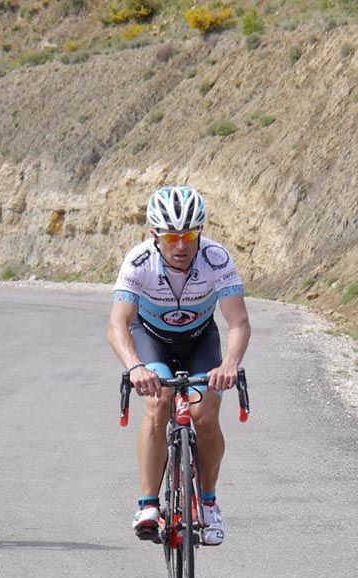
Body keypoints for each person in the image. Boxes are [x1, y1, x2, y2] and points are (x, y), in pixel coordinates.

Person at [107, 186, 251, 546]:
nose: (182, 246)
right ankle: (148, 505)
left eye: (189, 235)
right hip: (151, 337)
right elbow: (118, 325)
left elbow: (238, 323)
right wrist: (135, 367)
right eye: (172, 237)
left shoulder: (217, 259)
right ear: (155, 234)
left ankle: (209, 501)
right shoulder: (139, 262)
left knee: (205, 417)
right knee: (157, 403)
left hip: (200, 338)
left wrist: (230, 364)